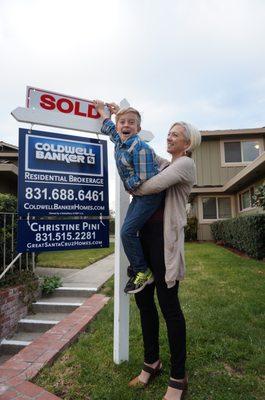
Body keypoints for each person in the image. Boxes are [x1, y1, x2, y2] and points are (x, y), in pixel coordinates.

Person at [128, 121, 201, 400]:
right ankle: (151, 363)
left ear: (188, 143)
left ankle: (178, 376)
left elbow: (149, 187)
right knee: (144, 303)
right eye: (169, 133)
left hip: (164, 244)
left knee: (169, 307)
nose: (169, 137)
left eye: (176, 135)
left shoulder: (184, 165)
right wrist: (123, 122)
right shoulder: (166, 163)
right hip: (143, 240)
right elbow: (147, 154)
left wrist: (131, 183)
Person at [93, 100, 164, 294]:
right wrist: (103, 113)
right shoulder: (120, 140)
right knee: (128, 231)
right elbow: (109, 129)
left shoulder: (140, 148)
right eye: (122, 122)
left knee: (126, 232)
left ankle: (143, 271)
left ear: (138, 128)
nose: (126, 125)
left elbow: (143, 177)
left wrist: (128, 186)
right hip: (139, 195)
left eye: (131, 122)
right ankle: (141, 264)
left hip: (149, 195)